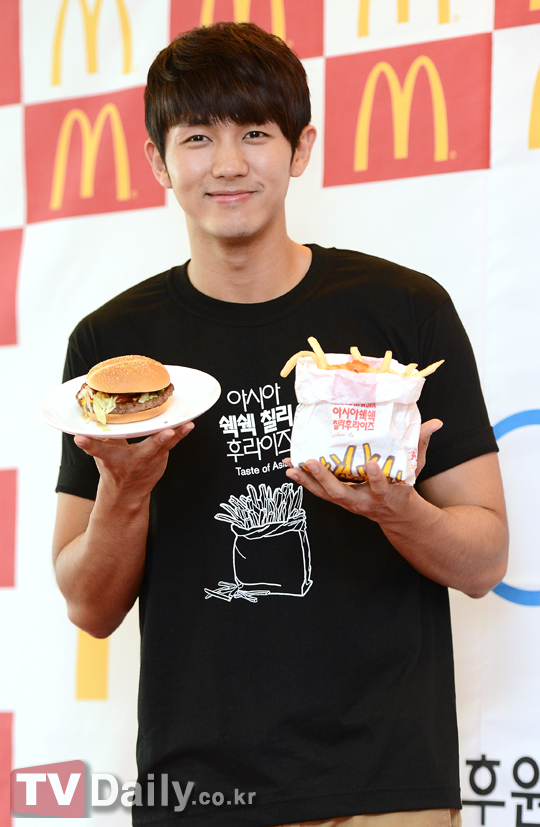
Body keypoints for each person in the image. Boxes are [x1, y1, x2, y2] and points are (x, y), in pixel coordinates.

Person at [52, 21, 508, 827]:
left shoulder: (404, 311)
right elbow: (89, 607)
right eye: (198, 137)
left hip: (387, 784)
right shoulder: (115, 353)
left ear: (301, 148)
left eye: (256, 133)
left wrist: (398, 509)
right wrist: (126, 488)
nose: (228, 163)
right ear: (158, 160)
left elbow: (485, 559)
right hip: (199, 790)